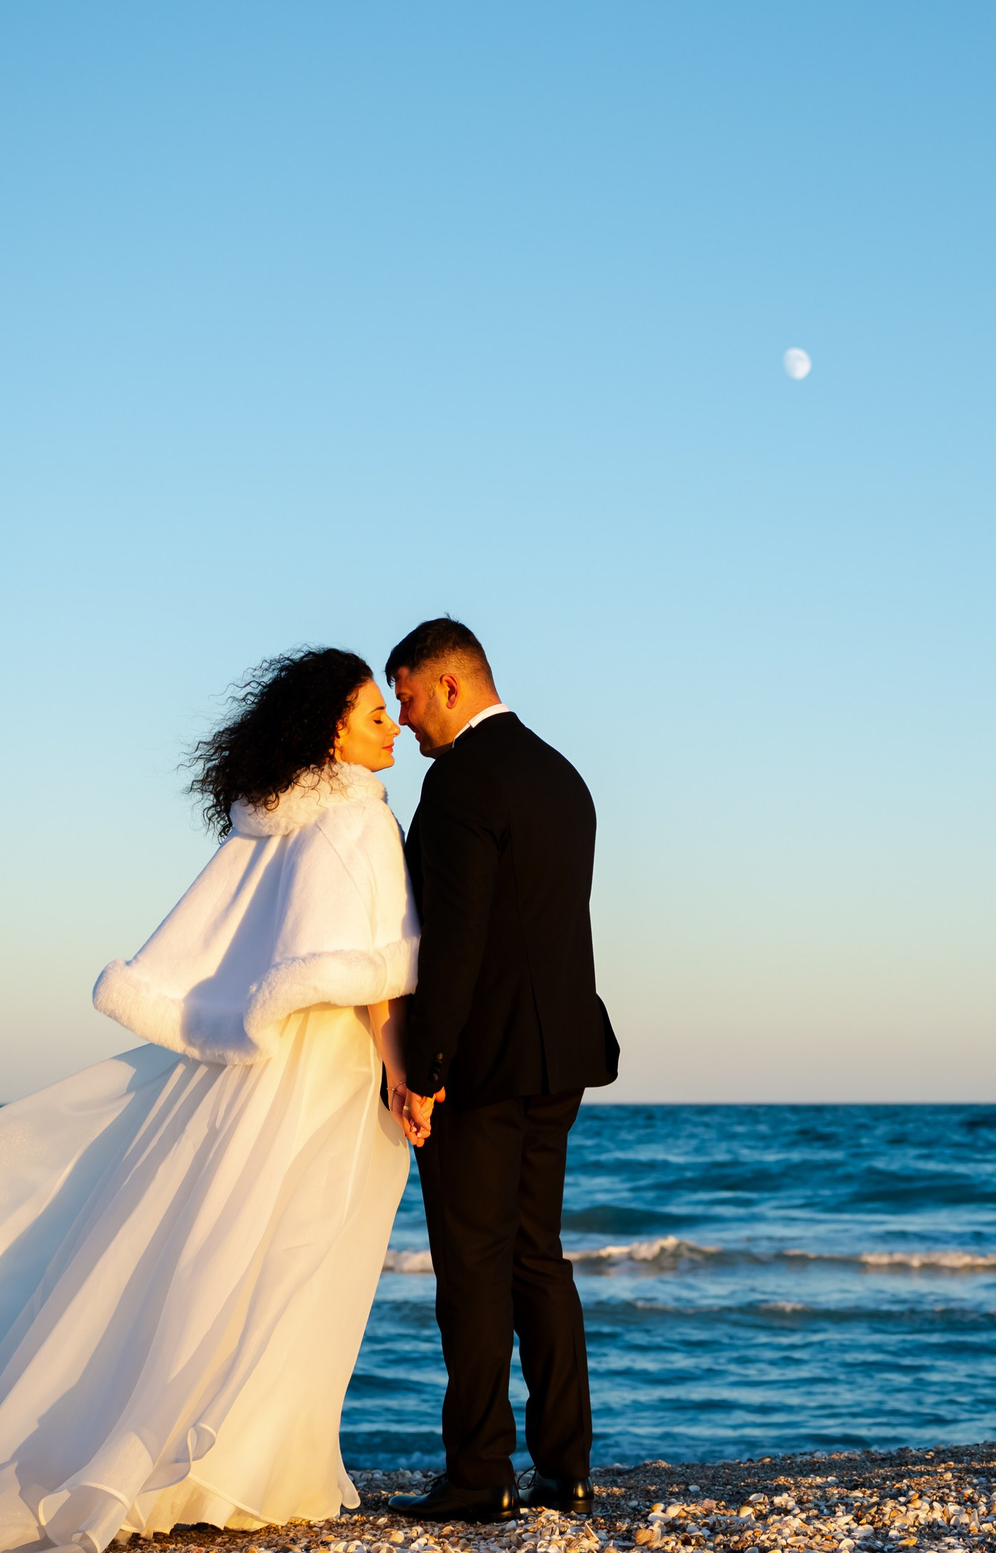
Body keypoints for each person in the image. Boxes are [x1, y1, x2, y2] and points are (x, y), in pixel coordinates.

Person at [0, 648, 425, 1553]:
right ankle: (242, 1465)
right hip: (320, 1066)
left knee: (215, 1250)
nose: (392, 729)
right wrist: (403, 1073)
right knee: (295, 1256)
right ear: (334, 727)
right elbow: (366, 971)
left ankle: (194, 1452)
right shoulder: (359, 823)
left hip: (248, 1067)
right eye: (375, 712)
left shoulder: (272, 823)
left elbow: (251, 952)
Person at [380, 618, 621, 1525]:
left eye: (405, 697)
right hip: (558, 1059)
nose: (403, 721)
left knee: (471, 1272)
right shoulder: (565, 777)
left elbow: (459, 943)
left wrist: (425, 1067)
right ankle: (568, 1468)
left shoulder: (459, 787)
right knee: (537, 1260)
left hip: (479, 1067)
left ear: (449, 684)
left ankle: (480, 1474)